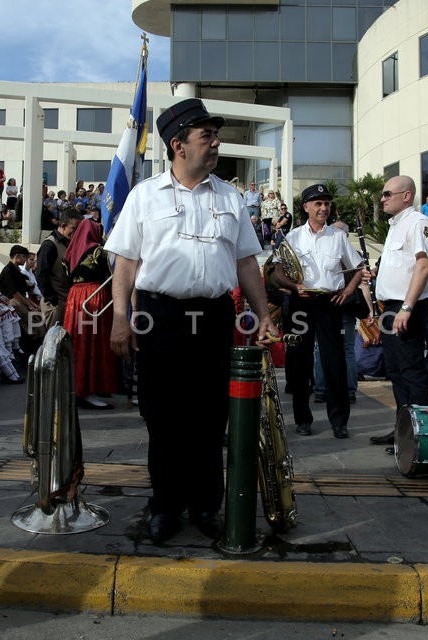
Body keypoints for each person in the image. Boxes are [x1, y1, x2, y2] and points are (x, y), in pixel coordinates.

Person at [105, 98, 276, 543]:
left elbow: (245, 264)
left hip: (216, 317)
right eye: (208, 136)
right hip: (161, 317)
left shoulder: (230, 197)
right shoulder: (144, 196)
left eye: (215, 135)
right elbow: (125, 263)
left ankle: (205, 505)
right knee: (163, 418)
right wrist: (121, 318)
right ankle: (164, 505)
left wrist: (264, 315)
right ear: (179, 145)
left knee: (210, 417)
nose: (216, 143)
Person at [273, 186, 366, 438]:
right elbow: (277, 271)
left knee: (333, 362)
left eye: (326, 203)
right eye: (318, 204)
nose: (323, 208)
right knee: (300, 363)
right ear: (306, 207)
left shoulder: (338, 237)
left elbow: (358, 267)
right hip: (301, 305)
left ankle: (339, 421)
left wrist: (348, 291)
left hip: (329, 304)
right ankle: (303, 419)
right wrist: (293, 286)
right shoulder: (292, 236)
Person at [368, 176, 428, 446]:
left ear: (406, 196)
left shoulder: (419, 223)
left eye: (387, 194)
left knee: (412, 371)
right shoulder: (396, 226)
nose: (382, 199)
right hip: (391, 307)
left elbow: (423, 267)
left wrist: (407, 307)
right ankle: (403, 430)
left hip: (408, 306)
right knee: (395, 371)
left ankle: (421, 436)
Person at [63, 218, 117, 410]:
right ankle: (89, 390)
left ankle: (76, 388)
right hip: (93, 297)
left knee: (77, 342)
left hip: (74, 297)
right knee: (94, 342)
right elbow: (111, 276)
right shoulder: (98, 251)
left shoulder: (70, 251)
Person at [36, 209, 82, 329]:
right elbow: (41, 274)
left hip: (67, 301)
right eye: (74, 228)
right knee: (53, 341)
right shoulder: (50, 245)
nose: (77, 232)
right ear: (63, 226)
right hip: (55, 304)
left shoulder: (69, 243)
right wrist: (53, 301)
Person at [0, 244, 43, 354]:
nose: (25, 259)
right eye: (24, 257)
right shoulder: (8, 270)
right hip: (12, 302)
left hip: (20, 300)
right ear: (17, 256)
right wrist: (29, 305)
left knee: (38, 320)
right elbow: (14, 293)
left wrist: (31, 304)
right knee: (32, 324)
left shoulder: (17, 270)